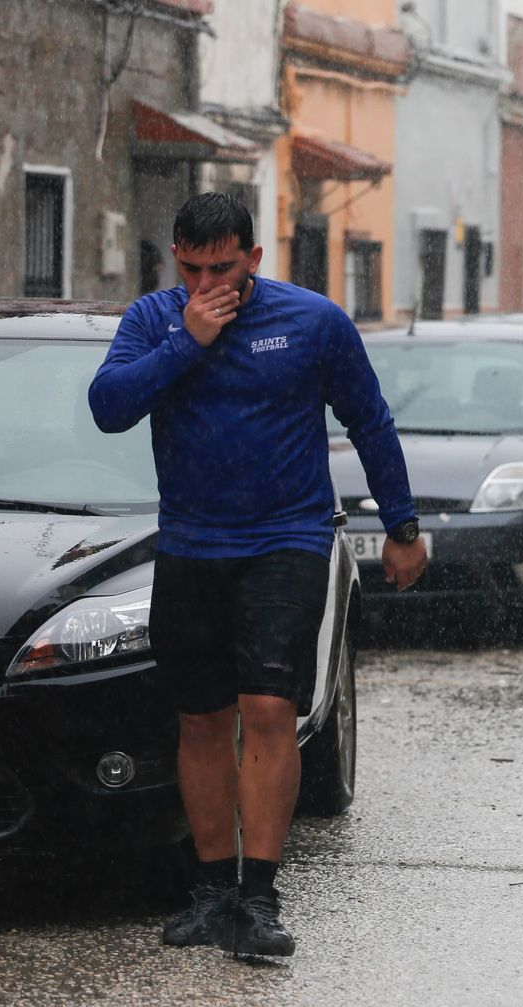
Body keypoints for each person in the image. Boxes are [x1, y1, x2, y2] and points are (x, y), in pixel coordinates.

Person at [89, 192, 427, 956]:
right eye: (191, 269)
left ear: (255, 259)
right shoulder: (153, 320)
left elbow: (369, 419)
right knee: (202, 718)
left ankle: (261, 900)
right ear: (176, 260)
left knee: (270, 710)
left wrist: (402, 526)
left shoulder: (313, 322)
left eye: (223, 269)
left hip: (286, 539)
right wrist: (188, 341)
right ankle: (213, 892)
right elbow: (109, 408)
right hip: (190, 543)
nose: (206, 283)